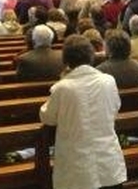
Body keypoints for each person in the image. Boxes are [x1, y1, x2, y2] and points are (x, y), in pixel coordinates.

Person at [39, 35, 127, 189]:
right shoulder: (108, 81)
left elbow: (48, 117)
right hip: (107, 157)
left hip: (77, 162)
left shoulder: (63, 87)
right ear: (90, 55)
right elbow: (115, 108)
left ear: (66, 59)